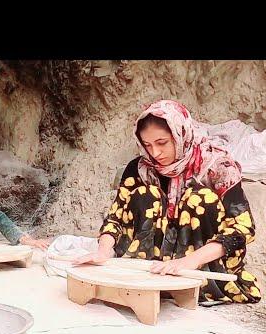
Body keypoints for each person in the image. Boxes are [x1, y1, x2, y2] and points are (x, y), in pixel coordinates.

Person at [74, 99, 261, 304]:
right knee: (145, 195)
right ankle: (144, 279)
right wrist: (103, 252)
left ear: (180, 135)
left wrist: (190, 261)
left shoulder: (218, 167)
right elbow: (115, 218)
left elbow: (243, 229)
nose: (155, 153)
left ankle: (195, 287)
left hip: (203, 270)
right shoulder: (140, 168)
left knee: (198, 199)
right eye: (147, 145)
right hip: (150, 269)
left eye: (162, 143)